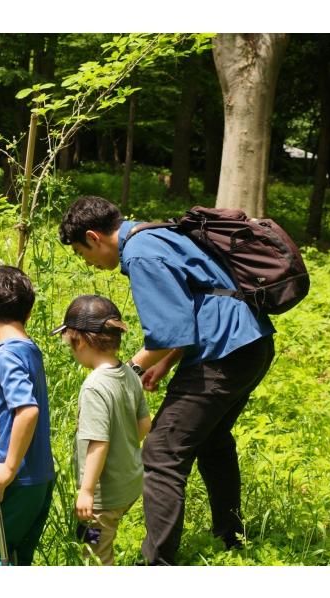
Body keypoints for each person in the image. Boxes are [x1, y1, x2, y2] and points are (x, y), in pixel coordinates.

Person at [59, 196, 276, 565]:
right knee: (213, 440)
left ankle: (157, 564)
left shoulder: (140, 254)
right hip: (251, 342)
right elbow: (193, 306)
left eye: (83, 253)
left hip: (224, 351)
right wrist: (165, 363)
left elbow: (169, 330)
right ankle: (231, 536)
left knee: (161, 454)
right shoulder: (154, 233)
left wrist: (126, 370)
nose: (88, 263)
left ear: (93, 237)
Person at [51, 294, 152, 566]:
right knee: (97, 538)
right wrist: (124, 446)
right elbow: (144, 424)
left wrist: (86, 491)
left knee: (95, 553)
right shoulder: (129, 373)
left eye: (69, 342)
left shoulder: (94, 387)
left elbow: (98, 443)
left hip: (102, 497)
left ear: (81, 341)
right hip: (129, 483)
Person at [0, 265, 55, 566]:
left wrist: (8, 467)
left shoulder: (4, 354)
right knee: (16, 557)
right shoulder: (29, 349)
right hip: (40, 476)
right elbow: (19, 395)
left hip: (15, 479)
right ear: (27, 313)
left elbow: (27, 411)